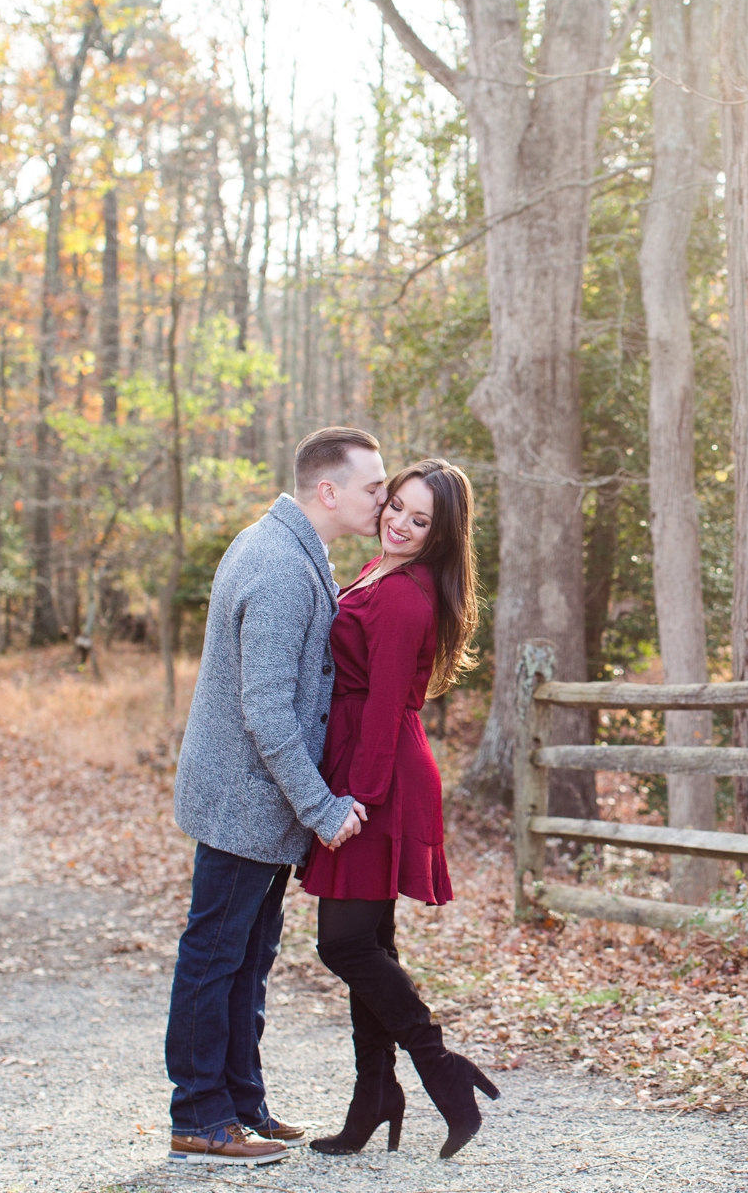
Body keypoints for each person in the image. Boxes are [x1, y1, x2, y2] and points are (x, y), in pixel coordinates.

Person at [165, 428, 388, 1167]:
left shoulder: (291, 547)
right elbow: (267, 709)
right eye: (372, 487)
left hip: (258, 804)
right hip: (242, 801)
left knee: (249, 956)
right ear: (328, 491)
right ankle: (199, 1115)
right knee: (216, 956)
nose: (383, 499)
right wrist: (323, 808)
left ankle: (241, 1100)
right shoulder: (281, 566)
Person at [300, 458, 500, 1160]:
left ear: (441, 535)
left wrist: (352, 798)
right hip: (370, 759)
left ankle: (440, 1069)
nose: (403, 525)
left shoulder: (405, 597)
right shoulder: (377, 571)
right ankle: (374, 1097)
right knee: (370, 945)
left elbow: (384, 706)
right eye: (399, 508)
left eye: (422, 521)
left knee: (344, 943)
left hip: (377, 772)